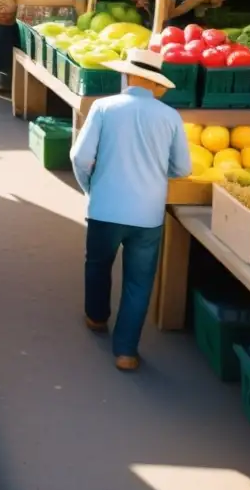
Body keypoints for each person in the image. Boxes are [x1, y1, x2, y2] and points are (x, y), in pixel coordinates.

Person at [69, 48, 192, 371]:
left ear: (127, 75)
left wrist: (90, 187)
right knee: (139, 281)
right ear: (155, 82)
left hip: (105, 207)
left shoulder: (104, 107)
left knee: (97, 263)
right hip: (148, 213)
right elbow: (182, 168)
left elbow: (80, 157)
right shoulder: (170, 117)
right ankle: (125, 351)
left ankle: (96, 317)